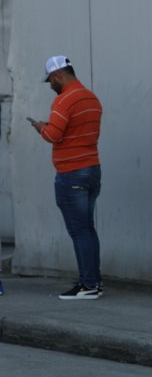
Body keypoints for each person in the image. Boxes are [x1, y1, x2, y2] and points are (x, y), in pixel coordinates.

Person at [30, 55, 105, 300]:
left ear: (58, 75)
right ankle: (94, 282)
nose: (51, 86)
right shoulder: (92, 98)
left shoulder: (64, 100)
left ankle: (88, 286)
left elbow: (53, 135)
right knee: (87, 230)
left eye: (51, 81)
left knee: (79, 231)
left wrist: (41, 127)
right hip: (92, 170)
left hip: (71, 173)